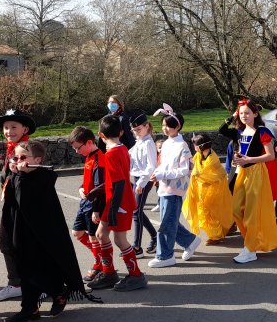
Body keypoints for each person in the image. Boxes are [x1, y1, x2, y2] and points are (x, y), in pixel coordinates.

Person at [2, 141, 100, 322]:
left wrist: (20, 175)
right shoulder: (18, 174)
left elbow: (24, 199)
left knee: (40, 268)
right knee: (23, 267)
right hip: (21, 230)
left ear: (37, 160)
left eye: (23, 157)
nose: (18, 161)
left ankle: (58, 292)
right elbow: (9, 197)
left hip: (41, 235)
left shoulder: (44, 178)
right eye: (15, 157)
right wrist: (12, 172)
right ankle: (29, 308)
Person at [218, 99, 277, 264]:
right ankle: (251, 240)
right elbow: (222, 130)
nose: (244, 116)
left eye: (247, 113)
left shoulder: (262, 131)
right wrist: (234, 115)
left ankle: (250, 249)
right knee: (235, 210)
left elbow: (271, 156)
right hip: (242, 173)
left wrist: (249, 159)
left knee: (252, 214)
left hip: (256, 173)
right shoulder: (240, 131)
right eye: (241, 113)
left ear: (255, 114)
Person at [86, 114, 146, 291]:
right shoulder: (122, 148)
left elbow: (119, 183)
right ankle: (109, 272)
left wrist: (113, 210)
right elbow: (115, 180)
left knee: (120, 240)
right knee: (101, 234)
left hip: (118, 203)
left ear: (101, 135)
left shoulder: (111, 154)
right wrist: (97, 191)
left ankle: (136, 275)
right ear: (120, 132)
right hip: (116, 201)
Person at [0, 109, 36, 304]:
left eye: (14, 127)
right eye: (6, 127)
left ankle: (22, 284)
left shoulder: (28, 150)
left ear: (25, 129)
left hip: (24, 207)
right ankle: (22, 283)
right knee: (9, 244)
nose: (9, 131)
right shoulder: (10, 149)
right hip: (12, 205)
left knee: (14, 244)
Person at [146, 104, 201, 269]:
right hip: (164, 187)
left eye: (168, 126)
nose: (165, 128)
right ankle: (190, 241)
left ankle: (165, 256)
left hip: (174, 189)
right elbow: (163, 164)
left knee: (166, 224)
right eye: (163, 125)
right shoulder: (167, 143)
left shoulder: (182, 145)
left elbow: (184, 170)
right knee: (169, 221)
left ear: (178, 126)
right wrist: (157, 173)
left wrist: (162, 174)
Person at [68, 126, 106, 283]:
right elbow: (87, 181)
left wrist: (96, 210)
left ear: (89, 142)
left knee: (93, 237)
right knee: (77, 233)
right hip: (85, 203)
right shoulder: (89, 156)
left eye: (78, 148)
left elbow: (100, 187)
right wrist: (81, 188)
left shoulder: (99, 159)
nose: (77, 152)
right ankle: (101, 259)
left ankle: (100, 264)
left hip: (93, 205)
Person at [182, 134, 234, 243]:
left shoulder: (212, 158)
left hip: (215, 187)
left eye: (195, 145)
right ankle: (226, 227)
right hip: (203, 187)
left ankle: (215, 236)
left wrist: (196, 175)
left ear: (201, 146)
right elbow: (196, 170)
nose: (194, 147)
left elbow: (208, 175)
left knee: (211, 211)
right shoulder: (199, 155)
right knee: (207, 210)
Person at [128, 114, 158, 257]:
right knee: (137, 210)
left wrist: (140, 183)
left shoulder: (148, 143)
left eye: (138, 129)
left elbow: (151, 166)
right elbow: (130, 156)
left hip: (145, 179)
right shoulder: (139, 141)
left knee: (136, 211)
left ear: (146, 126)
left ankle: (137, 247)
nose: (136, 132)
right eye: (134, 130)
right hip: (137, 178)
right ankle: (155, 237)